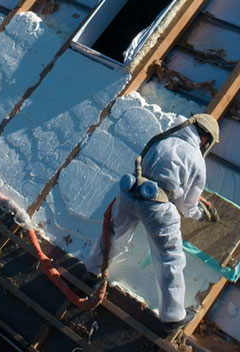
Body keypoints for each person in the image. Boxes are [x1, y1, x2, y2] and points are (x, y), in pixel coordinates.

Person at [86, 113, 221, 331]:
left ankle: (92, 271)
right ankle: (173, 316)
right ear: (205, 139)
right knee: (169, 258)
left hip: (130, 193)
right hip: (157, 207)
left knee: (113, 235)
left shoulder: (163, 139)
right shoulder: (196, 159)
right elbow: (187, 205)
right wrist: (201, 215)